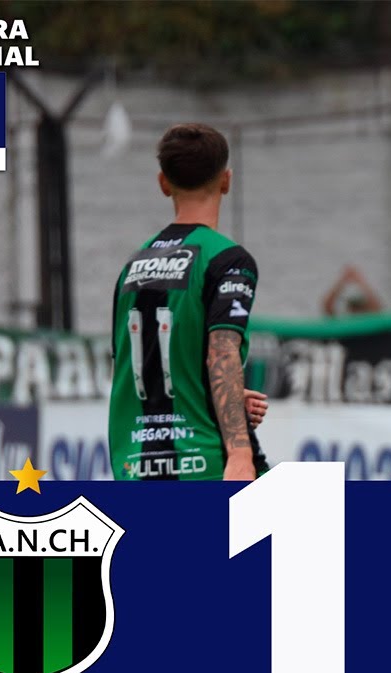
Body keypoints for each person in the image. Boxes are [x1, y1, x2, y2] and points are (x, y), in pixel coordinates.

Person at [109, 123, 269, 481]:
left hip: (134, 466)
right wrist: (240, 454)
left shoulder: (132, 267)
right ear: (226, 181)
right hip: (204, 463)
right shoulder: (227, 259)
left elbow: (134, 365)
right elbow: (221, 352)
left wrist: (217, 395)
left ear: (163, 183)